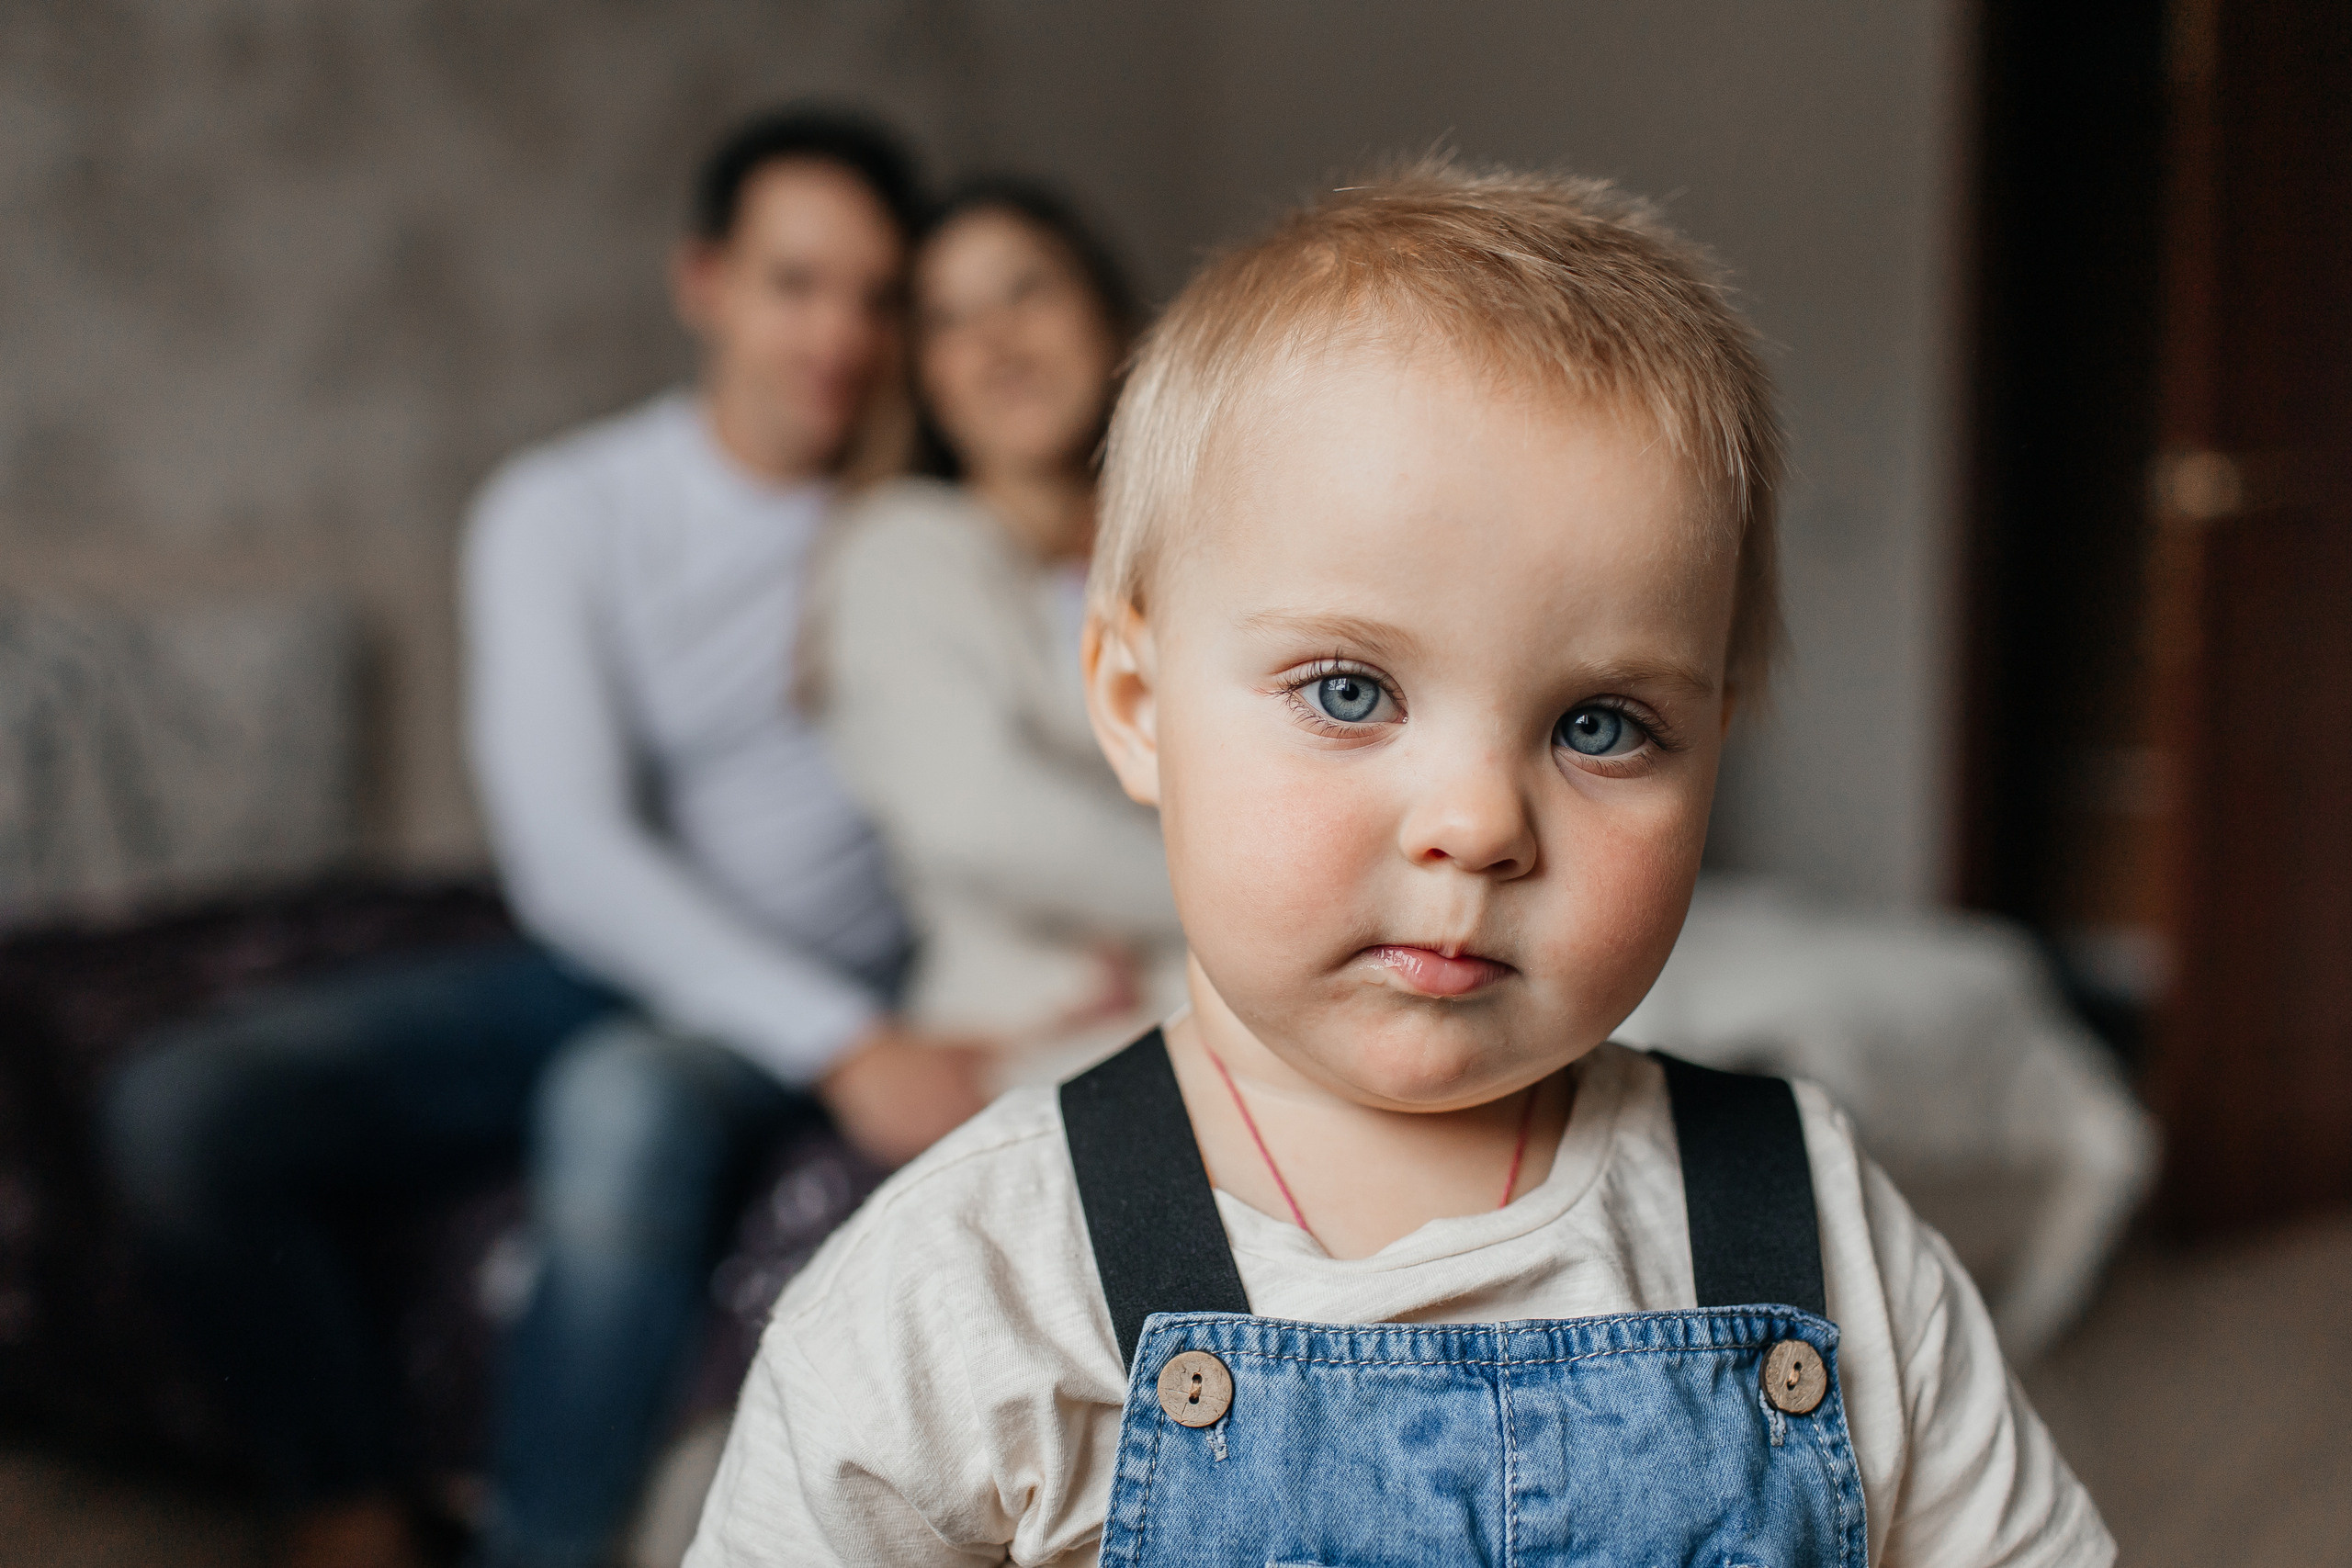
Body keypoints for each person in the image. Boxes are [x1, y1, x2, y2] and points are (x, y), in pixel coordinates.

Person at [685, 159, 2115, 1565]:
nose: (1480, 821)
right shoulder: (968, 1283)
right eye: (1351, 691)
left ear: (1715, 740)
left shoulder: (1804, 1214)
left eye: (1601, 723)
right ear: (1132, 704)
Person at [103, 109, 991, 1568]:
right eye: (795, 281)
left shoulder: (931, 529)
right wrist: (848, 1042)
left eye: (877, 294)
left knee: (621, 1101)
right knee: (178, 1109)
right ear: (704, 281)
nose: (837, 331)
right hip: (607, 955)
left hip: (783, 990)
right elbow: (567, 853)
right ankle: (345, 1501)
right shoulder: (565, 507)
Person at [810, 181, 1185, 1085]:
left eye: (1027, 291)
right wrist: (1275, 905)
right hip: (1032, 1025)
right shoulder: (900, 550)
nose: (996, 342)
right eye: (948, 319)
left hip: (1216, 990)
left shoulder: (1203, 537)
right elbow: (976, 817)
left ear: (1104, 312)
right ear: (922, 374)